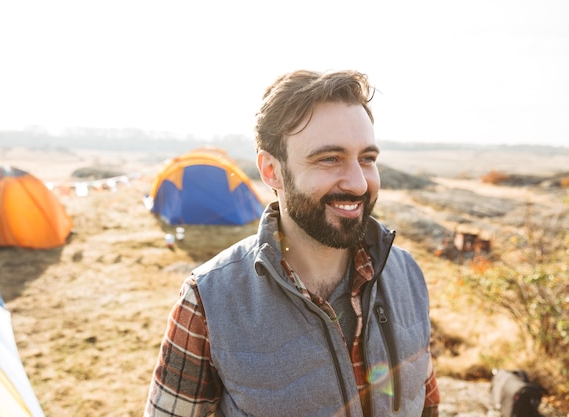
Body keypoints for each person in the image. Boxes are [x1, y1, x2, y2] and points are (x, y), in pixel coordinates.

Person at [143, 69, 440, 416]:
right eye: (330, 158)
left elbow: (426, 404)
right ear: (271, 170)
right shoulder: (208, 301)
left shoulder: (407, 274)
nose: (359, 183)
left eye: (367, 159)